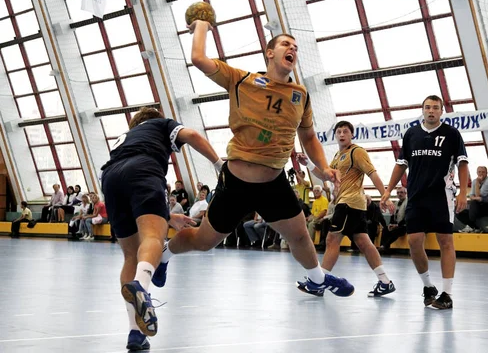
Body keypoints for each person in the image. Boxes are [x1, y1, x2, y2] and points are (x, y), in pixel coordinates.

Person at [152, 22, 354, 301]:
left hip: (274, 182)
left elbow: (308, 137)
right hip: (236, 183)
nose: (292, 49)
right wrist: (201, 26)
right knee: (203, 241)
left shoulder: (301, 95)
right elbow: (198, 58)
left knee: (299, 236)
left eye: (295, 47)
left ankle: (318, 279)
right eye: (286, 45)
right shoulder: (241, 80)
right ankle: (165, 254)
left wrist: (324, 168)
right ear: (269, 53)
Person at [100, 107, 219, 350]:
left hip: (110, 178)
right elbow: (193, 136)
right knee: (153, 237)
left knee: (131, 255)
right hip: (144, 169)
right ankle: (141, 285)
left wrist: (167, 215)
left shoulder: (124, 138)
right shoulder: (161, 124)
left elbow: (126, 175)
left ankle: (136, 333)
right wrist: (219, 165)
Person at [380, 95, 469, 310]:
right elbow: (401, 164)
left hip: (442, 195)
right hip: (416, 196)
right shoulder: (412, 134)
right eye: (427, 107)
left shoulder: (451, 134)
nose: (431, 111)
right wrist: (387, 190)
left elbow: (463, 164)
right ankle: (428, 287)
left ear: (441, 111)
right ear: (422, 110)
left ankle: (447, 294)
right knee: (414, 241)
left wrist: (463, 193)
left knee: (445, 241)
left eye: (435, 108)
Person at [296, 121, 396, 298]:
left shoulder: (356, 152)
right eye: (339, 132)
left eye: (345, 131)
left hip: (349, 202)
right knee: (364, 243)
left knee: (332, 239)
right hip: (350, 204)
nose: (342, 134)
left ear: (352, 135)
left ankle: (319, 284)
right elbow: (325, 175)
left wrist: (385, 195)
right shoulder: (338, 155)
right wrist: (309, 164)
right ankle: (385, 282)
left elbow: (372, 173)